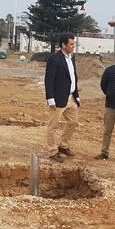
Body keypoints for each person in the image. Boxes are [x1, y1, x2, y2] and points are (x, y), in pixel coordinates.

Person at [44, 33, 80, 162]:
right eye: (71, 44)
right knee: (52, 126)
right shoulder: (54, 59)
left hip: (71, 98)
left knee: (73, 122)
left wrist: (76, 95)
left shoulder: (72, 58)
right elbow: (49, 80)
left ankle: (63, 146)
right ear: (63, 45)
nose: (73, 46)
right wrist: (50, 98)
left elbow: (73, 77)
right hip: (58, 98)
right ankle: (52, 152)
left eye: (74, 44)